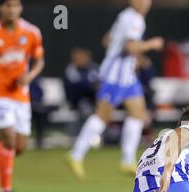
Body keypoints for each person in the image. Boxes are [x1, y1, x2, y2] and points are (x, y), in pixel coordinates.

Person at [66, 0, 164, 179]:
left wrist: (129, 56)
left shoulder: (125, 15)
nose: (145, 3)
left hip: (127, 75)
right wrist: (152, 44)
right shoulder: (135, 19)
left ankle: (127, 160)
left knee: (138, 113)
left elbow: (107, 39)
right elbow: (130, 46)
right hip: (115, 75)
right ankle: (76, 154)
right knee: (102, 116)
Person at [0, 0, 45, 192]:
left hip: (21, 95)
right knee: (9, 141)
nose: (11, 9)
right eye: (7, 5)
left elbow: (39, 60)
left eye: (15, 5)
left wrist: (30, 76)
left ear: (20, 8)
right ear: (0, 8)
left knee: (19, 148)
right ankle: (6, 191)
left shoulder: (31, 32)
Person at [63, 47, 99, 133]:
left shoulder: (93, 67)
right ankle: (85, 134)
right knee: (86, 107)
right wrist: (91, 85)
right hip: (76, 100)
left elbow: (99, 81)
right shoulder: (71, 69)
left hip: (93, 99)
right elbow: (77, 86)